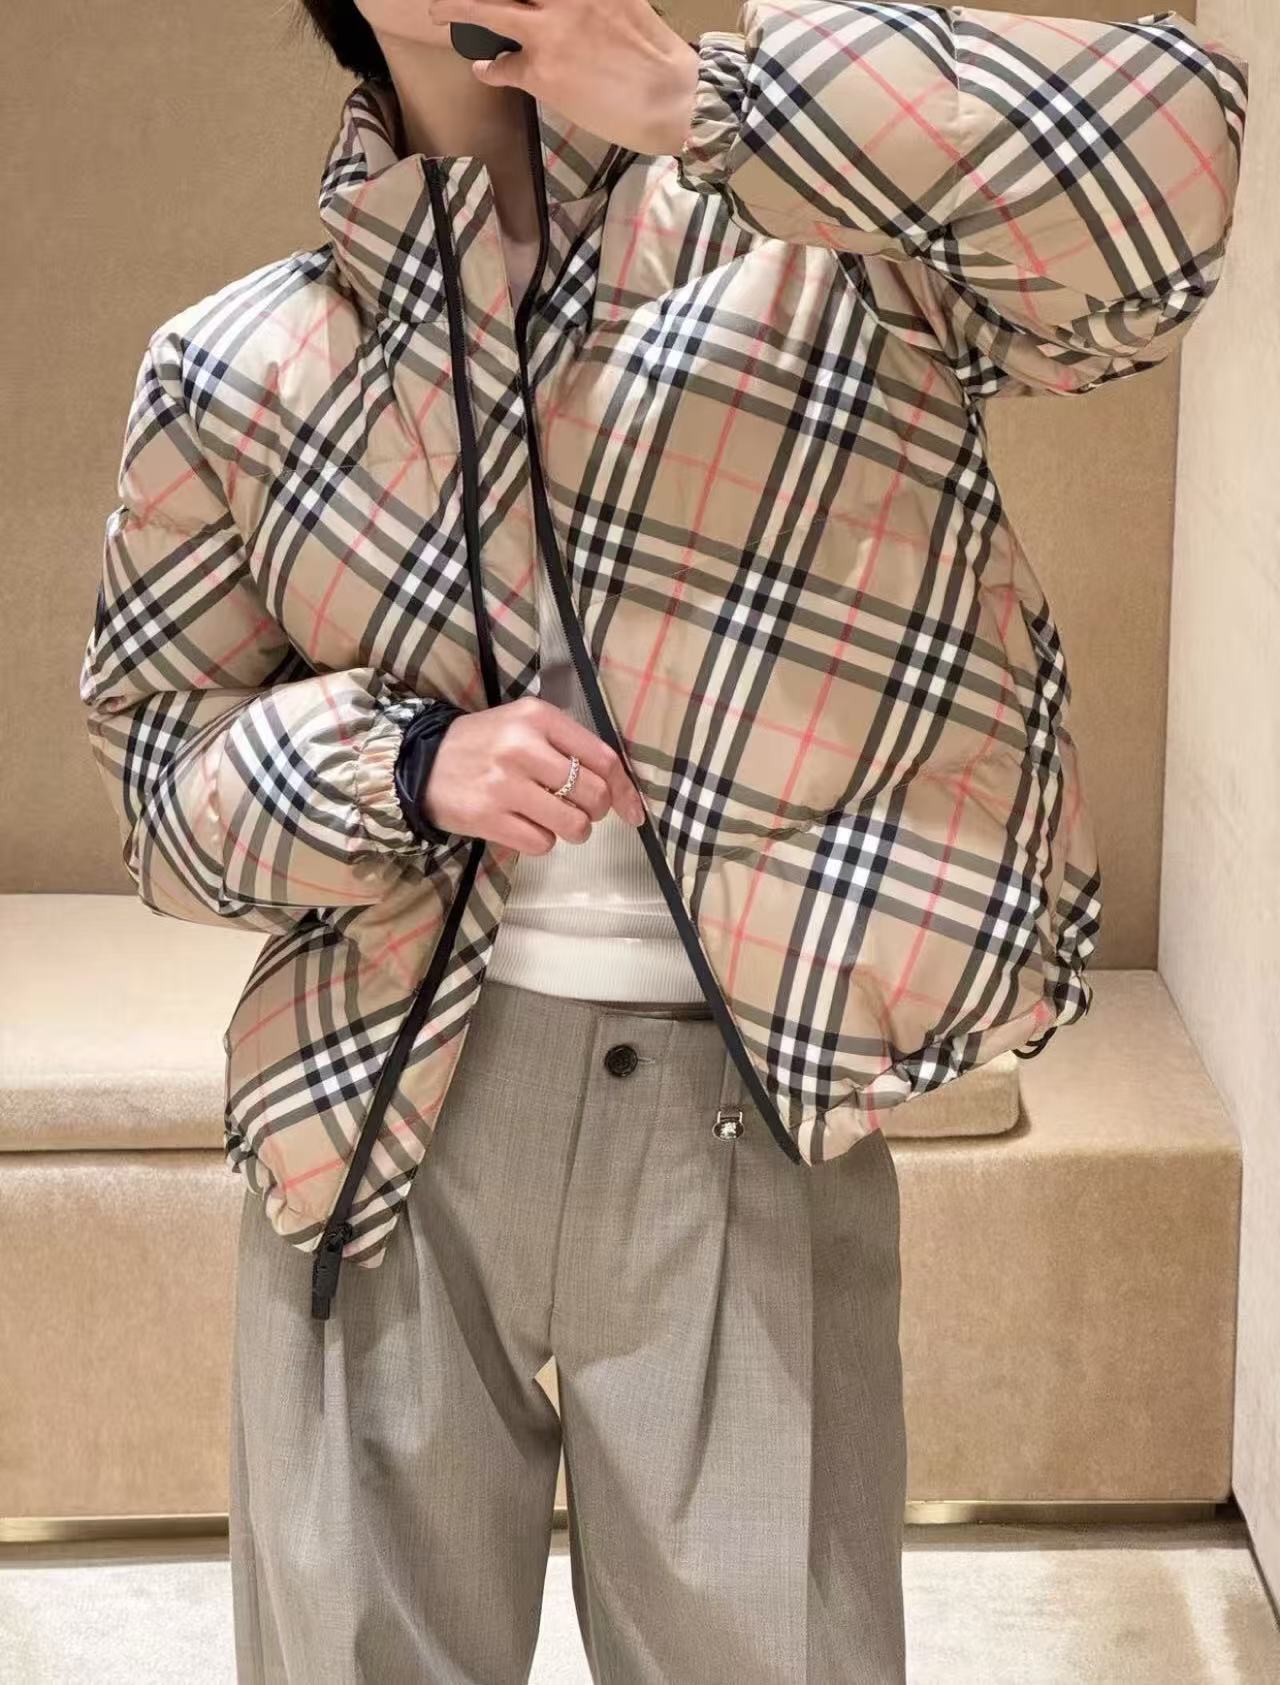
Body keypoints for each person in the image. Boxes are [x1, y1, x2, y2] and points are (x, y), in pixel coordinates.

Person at [78, 1, 1249, 1680]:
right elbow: (157, 782)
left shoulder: (819, 251)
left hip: (742, 1115)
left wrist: (715, 99)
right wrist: (403, 764)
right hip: (379, 1121)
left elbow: (1176, 169)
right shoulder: (236, 368)